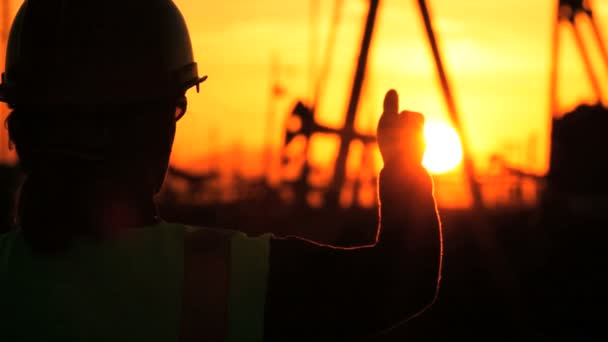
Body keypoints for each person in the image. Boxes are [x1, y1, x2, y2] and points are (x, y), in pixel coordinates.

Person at [0, 1, 442, 341]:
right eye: (175, 107)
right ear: (150, 129)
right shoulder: (215, 276)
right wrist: (403, 170)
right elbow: (400, 281)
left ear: (21, 131)